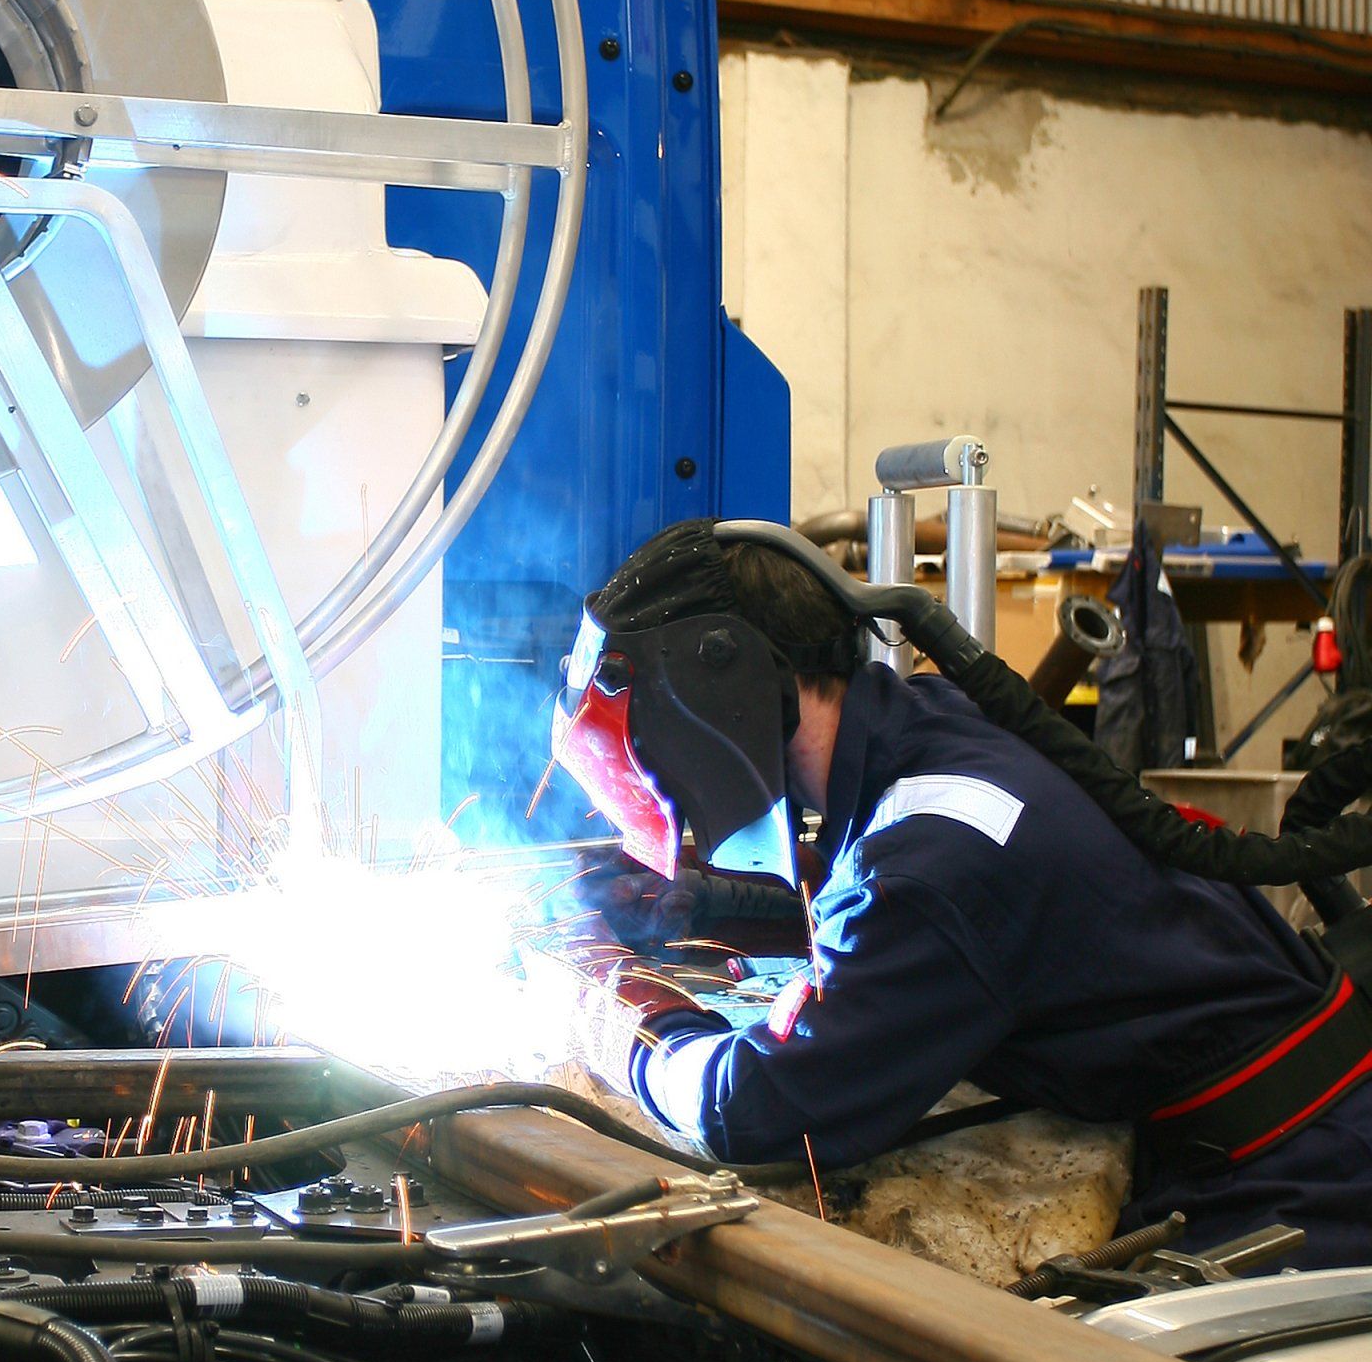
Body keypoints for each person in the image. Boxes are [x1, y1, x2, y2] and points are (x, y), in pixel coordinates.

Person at [553, 519, 1372, 1270]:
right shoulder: (933, 724)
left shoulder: (928, 866)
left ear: (716, 685)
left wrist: (620, 1017)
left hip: (1296, 1182)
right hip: (1298, 1115)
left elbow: (755, 1107)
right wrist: (708, 904)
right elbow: (916, 914)